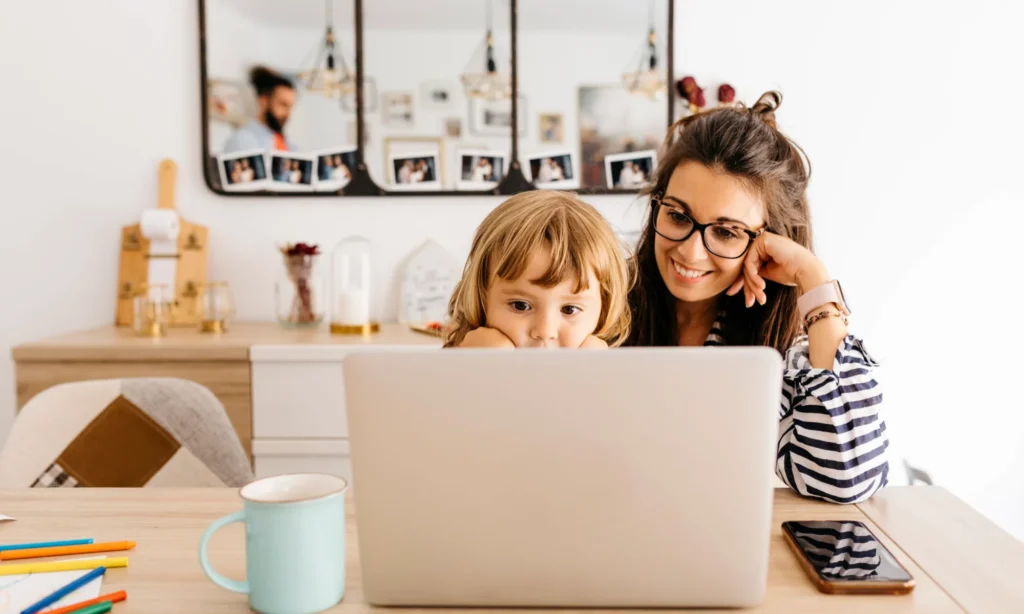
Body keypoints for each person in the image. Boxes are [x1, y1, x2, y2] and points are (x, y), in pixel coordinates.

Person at [625, 91, 887, 504]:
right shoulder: (600, 304)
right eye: (677, 215)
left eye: (726, 232)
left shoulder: (785, 347)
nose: (690, 253)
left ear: (771, 239)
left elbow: (847, 477)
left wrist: (812, 276)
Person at [444, 191, 632, 349]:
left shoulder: (611, 374)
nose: (545, 331)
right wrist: (469, 365)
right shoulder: (450, 367)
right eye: (520, 305)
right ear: (481, 297)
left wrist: (596, 376)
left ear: (604, 309)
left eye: (569, 309)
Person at [223, 66, 296, 153]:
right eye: (283, 104)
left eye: (290, 107)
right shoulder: (242, 140)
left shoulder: (288, 144)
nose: (288, 114)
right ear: (264, 101)